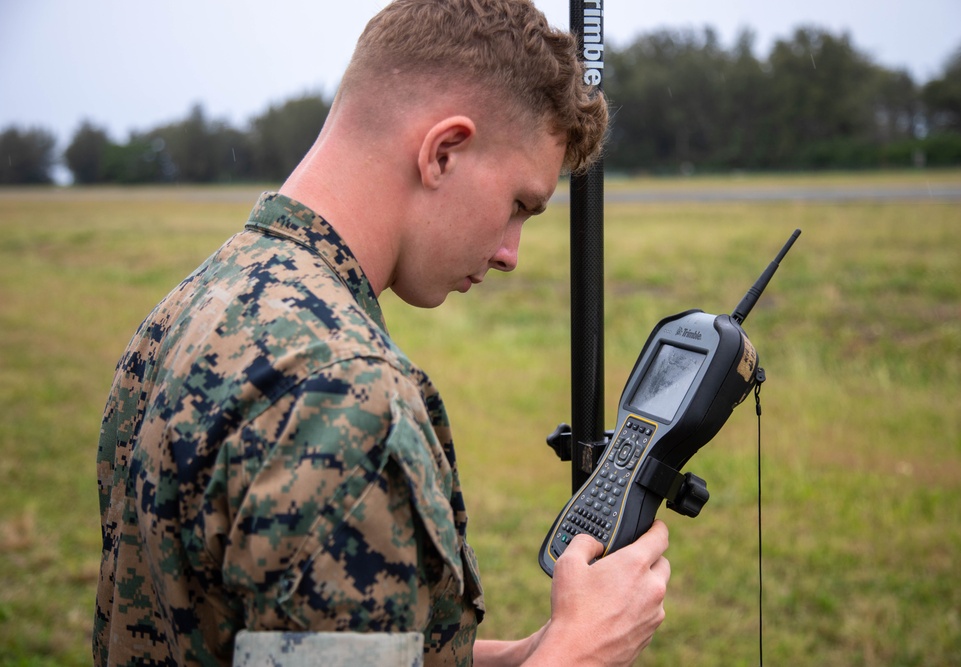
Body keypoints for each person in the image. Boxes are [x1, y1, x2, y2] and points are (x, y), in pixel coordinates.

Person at [93, 0, 671, 665]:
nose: (512, 252)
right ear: (444, 151)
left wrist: (532, 651)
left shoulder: (191, 306)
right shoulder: (347, 399)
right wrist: (580, 651)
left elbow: (300, 648)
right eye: (519, 205)